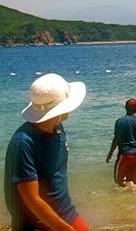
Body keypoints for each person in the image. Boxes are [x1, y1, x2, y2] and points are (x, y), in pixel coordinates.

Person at [4, 73, 89, 231]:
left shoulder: (58, 128)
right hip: (37, 223)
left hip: (66, 212)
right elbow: (32, 200)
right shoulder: (23, 143)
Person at [105, 99, 136, 187]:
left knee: (118, 181)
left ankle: (123, 197)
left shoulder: (120, 122)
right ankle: (135, 198)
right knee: (135, 181)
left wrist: (110, 153)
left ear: (125, 108)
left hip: (123, 155)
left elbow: (116, 139)